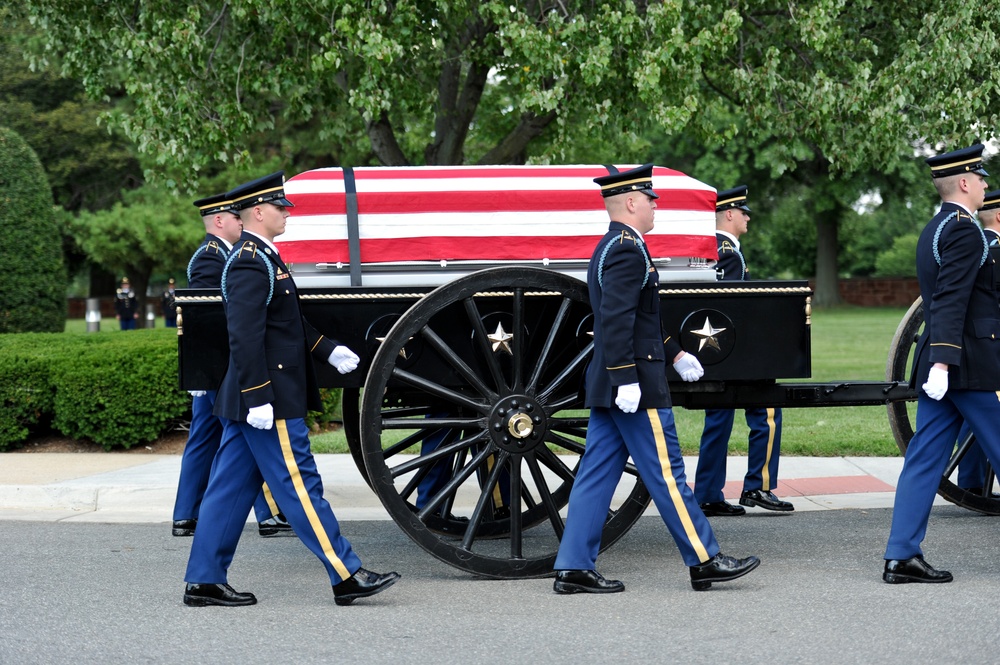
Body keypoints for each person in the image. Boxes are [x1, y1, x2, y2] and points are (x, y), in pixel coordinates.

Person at [183, 172, 399, 607]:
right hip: (268, 397)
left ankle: (204, 579)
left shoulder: (262, 255)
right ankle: (346, 573)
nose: (286, 213)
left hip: (259, 394)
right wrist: (258, 394)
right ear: (258, 212)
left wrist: (327, 349)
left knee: (228, 490)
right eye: (280, 207)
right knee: (300, 484)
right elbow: (243, 334)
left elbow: (284, 323)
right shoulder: (249, 259)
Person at [552, 163, 761, 594]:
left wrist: (677, 352)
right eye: (649, 199)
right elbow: (614, 319)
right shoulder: (628, 248)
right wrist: (627, 377)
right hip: (634, 384)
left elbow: (642, 319)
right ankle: (705, 559)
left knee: (595, 472)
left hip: (617, 380)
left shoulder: (615, 245)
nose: (654, 205)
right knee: (667, 473)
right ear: (630, 202)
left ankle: (573, 565)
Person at [883, 142, 1000, 584]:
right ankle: (901, 554)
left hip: (945, 364)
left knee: (925, 459)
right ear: (966, 183)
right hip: (964, 365)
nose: (987, 184)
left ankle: (900, 555)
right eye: (982, 177)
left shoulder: (936, 227)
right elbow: (952, 300)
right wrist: (946, 363)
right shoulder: (965, 230)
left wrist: (938, 362)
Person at [171, 192, 294, 539]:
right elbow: (208, 321)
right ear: (220, 221)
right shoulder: (212, 258)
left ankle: (187, 514)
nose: (242, 221)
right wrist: (201, 369)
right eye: (235, 217)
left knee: (210, 437)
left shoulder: (225, 255)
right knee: (236, 435)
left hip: (220, 366)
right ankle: (266, 513)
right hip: (220, 367)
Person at [693, 186, 793, 516]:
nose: (748, 217)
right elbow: (731, 308)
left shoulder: (711, 248)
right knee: (766, 410)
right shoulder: (728, 252)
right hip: (732, 354)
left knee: (718, 419)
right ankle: (758, 487)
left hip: (712, 353)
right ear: (730, 214)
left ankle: (707, 493)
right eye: (744, 211)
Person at [954, 189, 1000, 495]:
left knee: (974, 415)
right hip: (990, 345)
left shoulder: (975, 245)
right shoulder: (994, 250)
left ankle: (971, 482)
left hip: (971, 345)